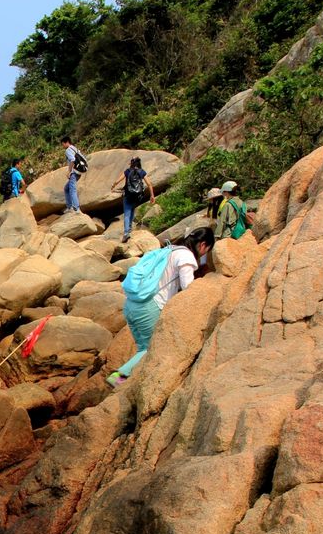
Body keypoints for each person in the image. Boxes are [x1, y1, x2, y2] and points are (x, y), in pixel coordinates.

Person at [106, 227, 215, 387]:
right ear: (203, 245)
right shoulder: (186, 256)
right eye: (207, 251)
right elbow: (188, 287)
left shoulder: (170, 249)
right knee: (149, 350)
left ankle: (124, 383)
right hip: (149, 307)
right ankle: (116, 380)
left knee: (143, 349)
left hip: (131, 305)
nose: (204, 255)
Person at [112, 156, 156, 242]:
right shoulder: (142, 172)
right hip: (137, 196)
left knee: (127, 213)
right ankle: (130, 229)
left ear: (132, 162)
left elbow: (118, 180)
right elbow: (149, 184)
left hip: (128, 195)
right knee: (132, 210)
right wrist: (152, 195)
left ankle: (126, 233)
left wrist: (113, 186)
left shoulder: (128, 171)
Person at [62, 137, 86, 213]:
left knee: (72, 189)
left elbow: (72, 160)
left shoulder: (68, 150)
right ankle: (69, 207)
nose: (62, 146)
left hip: (74, 172)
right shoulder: (74, 148)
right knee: (66, 188)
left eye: (63, 144)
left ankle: (76, 208)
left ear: (66, 142)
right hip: (79, 172)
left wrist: (69, 171)